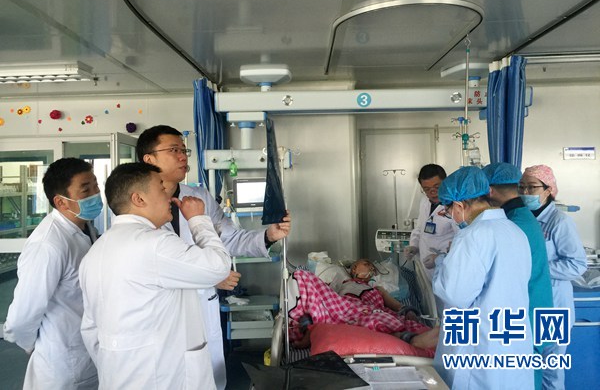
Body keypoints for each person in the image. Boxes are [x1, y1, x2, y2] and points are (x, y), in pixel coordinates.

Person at [136, 125, 291, 390]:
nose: (183, 156)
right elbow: (146, 265)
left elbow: (228, 239)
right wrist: (208, 276)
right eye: (173, 150)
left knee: (207, 376)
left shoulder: (198, 196)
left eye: (184, 150)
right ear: (149, 159)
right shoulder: (136, 204)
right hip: (161, 312)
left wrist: (269, 235)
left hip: (200, 308)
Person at [79, 162, 232, 389]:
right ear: (139, 199)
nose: (169, 197)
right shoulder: (154, 244)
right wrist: (198, 220)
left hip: (118, 375)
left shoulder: (96, 251)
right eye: (161, 189)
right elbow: (219, 266)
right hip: (161, 377)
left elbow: (90, 329)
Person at [432, 166, 534, 390]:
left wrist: (441, 263)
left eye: (449, 211)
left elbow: (455, 295)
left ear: (459, 206)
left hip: (481, 345)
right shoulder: (514, 231)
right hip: (510, 339)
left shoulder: (472, 236)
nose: (451, 217)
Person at [3, 158, 100, 389]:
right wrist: (31, 344)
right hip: (62, 360)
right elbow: (22, 315)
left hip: (89, 352)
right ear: (61, 202)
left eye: (96, 185)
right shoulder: (48, 244)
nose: (96, 194)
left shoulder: (87, 228)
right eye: (86, 190)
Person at [484, 162, 554, 390]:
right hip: (534, 306)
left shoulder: (515, 224)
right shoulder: (519, 217)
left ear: (489, 190)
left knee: (526, 375)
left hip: (529, 311)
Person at [520, 165, 587, 390]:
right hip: (529, 304)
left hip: (553, 307)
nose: (525, 192)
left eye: (532, 187)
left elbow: (577, 264)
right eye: (521, 187)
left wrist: (537, 268)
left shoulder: (559, 222)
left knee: (550, 371)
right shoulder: (522, 218)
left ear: (548, 190)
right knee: (528, 367)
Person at [289, 268, 439, 352]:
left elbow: (393, 303)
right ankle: (312, 324)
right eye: (364, 264)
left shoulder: (376, 288)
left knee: (373, 320)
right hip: (343, 305)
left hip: (368, 309)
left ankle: (411, 339)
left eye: (370, 266)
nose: (370, 268)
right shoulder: (342, 283)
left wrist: (407, 311)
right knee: (302, 275)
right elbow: (323, 295)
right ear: (353, 269)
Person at [405, 164, 458, 279]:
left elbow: (461, 240)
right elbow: (420, 228)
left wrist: (440, 258)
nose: (432, 192)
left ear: (445, 182)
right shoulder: (425, 201)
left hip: (447, 268)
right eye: (426, 189)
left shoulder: (456, 206)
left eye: (437, 187)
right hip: (425, 265)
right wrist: (413, 246)